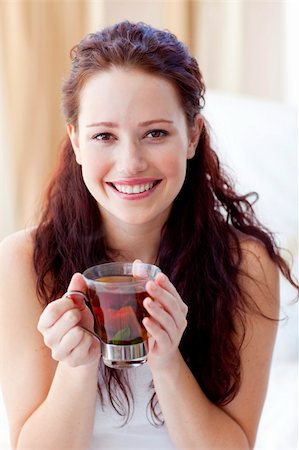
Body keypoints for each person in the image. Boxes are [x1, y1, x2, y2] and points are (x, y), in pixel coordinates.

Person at [0, 21, 297, 450]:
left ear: (192, 135)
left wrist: (167, 360)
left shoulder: (246, 265)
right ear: (77, 142)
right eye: (104, 136)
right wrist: (77, 367)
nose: (130, 163)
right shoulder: (23, 261)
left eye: (155, 133)